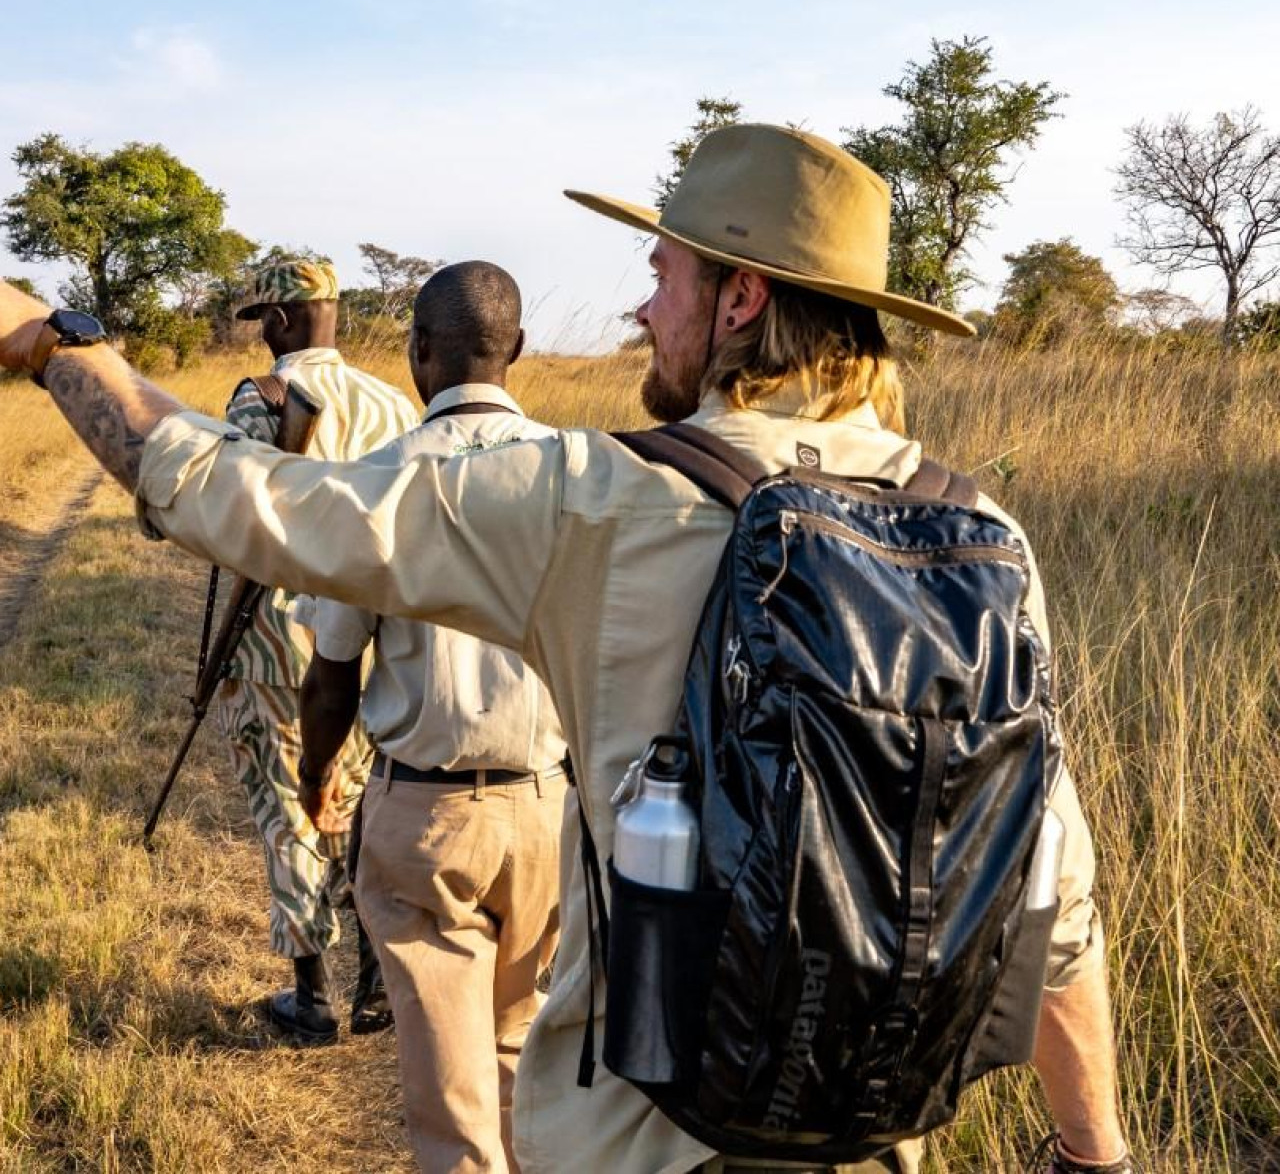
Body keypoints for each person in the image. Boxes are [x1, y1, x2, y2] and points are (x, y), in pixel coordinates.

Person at [0, 124, 1133, 1174]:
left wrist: (57, 345)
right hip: (866, 1135)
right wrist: (1095, 1151)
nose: (644, 309)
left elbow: (251, 503)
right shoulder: (978, 532)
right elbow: (1050, 884)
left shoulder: (602, 499)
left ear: (740, 298)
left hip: (642, 1138)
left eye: (663, 277)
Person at [298, 261, 567, 1173]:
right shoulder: (578, 472)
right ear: (516, 348)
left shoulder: (378, 481)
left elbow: (333, 674)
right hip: (548, 810)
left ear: (417, 350)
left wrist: (316, 772)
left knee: (453, 1106)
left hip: (426, 814)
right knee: (519, 1053)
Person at [218, 256, 418, 1043]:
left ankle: (311, 995)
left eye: (261, 321)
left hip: (280, 631)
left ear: (278, 320)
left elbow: (228, 514)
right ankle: (374, 980)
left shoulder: (260, 397)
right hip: (371, 629)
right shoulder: (394, 401)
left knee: (288, 805)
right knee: (355, 795)